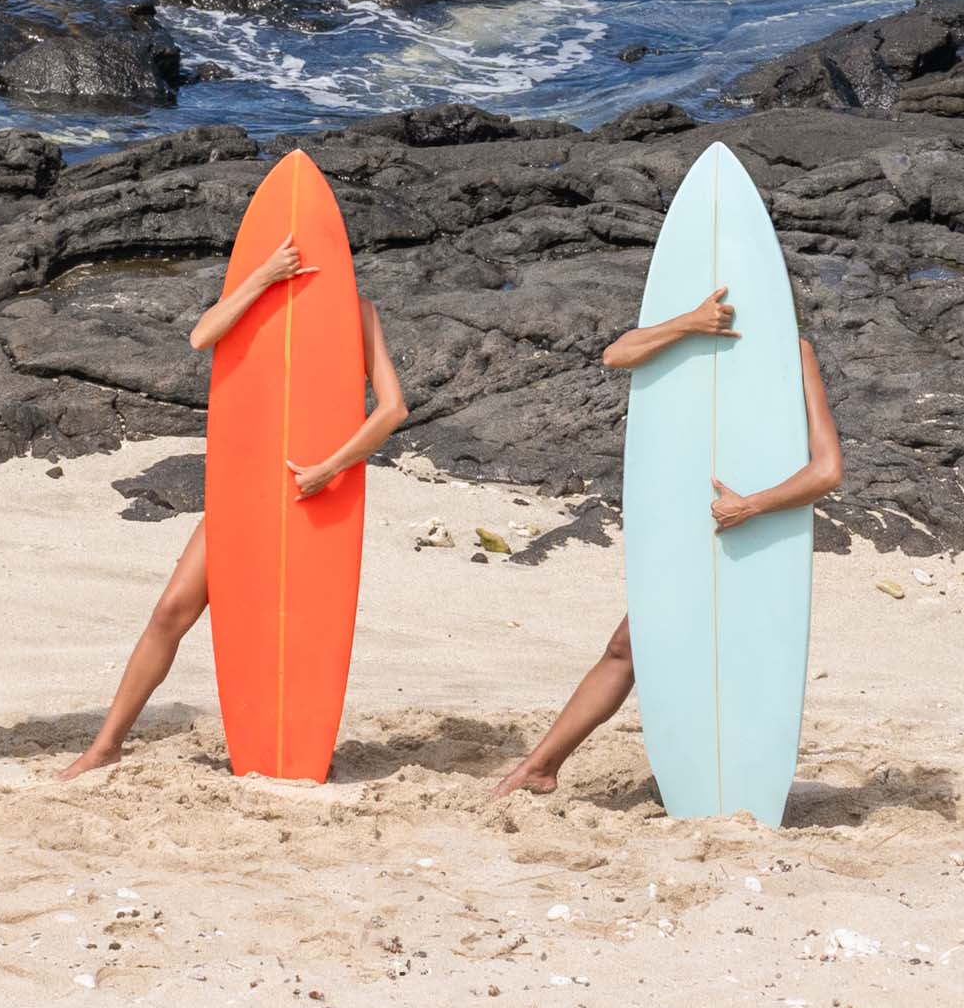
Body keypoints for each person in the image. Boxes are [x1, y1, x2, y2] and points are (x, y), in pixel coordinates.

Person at [62, 222, 409, 776]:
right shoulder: (259, 295)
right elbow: (203, 337)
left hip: (314, 491)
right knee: (173, 609)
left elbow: (393, 409)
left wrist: (332, 467)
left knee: (295, 626)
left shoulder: (359, 312)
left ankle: (295, 753)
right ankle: (106, 745)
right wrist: (262, 277)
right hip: (244, 489)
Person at [490, 290, 841, 796]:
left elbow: (828, 469)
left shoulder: (794, 352)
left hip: (760, 534)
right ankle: (541, 768)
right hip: (689, 528)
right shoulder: (691, 338)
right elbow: (617, 354)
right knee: (628, 647)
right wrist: (691, 321)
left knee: (739, 657)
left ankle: (738, 787)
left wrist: (754, 505)